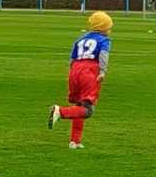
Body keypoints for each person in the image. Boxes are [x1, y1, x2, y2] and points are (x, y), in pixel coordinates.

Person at [48, 11, 112, 149]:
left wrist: (73, 74)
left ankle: (74, 141)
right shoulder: (104, 40)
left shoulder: (80, 40)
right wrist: (102, 71)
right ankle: (60, 111)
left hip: (75, 69)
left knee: (79, 105)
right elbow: (103, 56)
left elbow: (72, 59)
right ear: (103, 27)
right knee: (88, 110)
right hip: (90, 70)